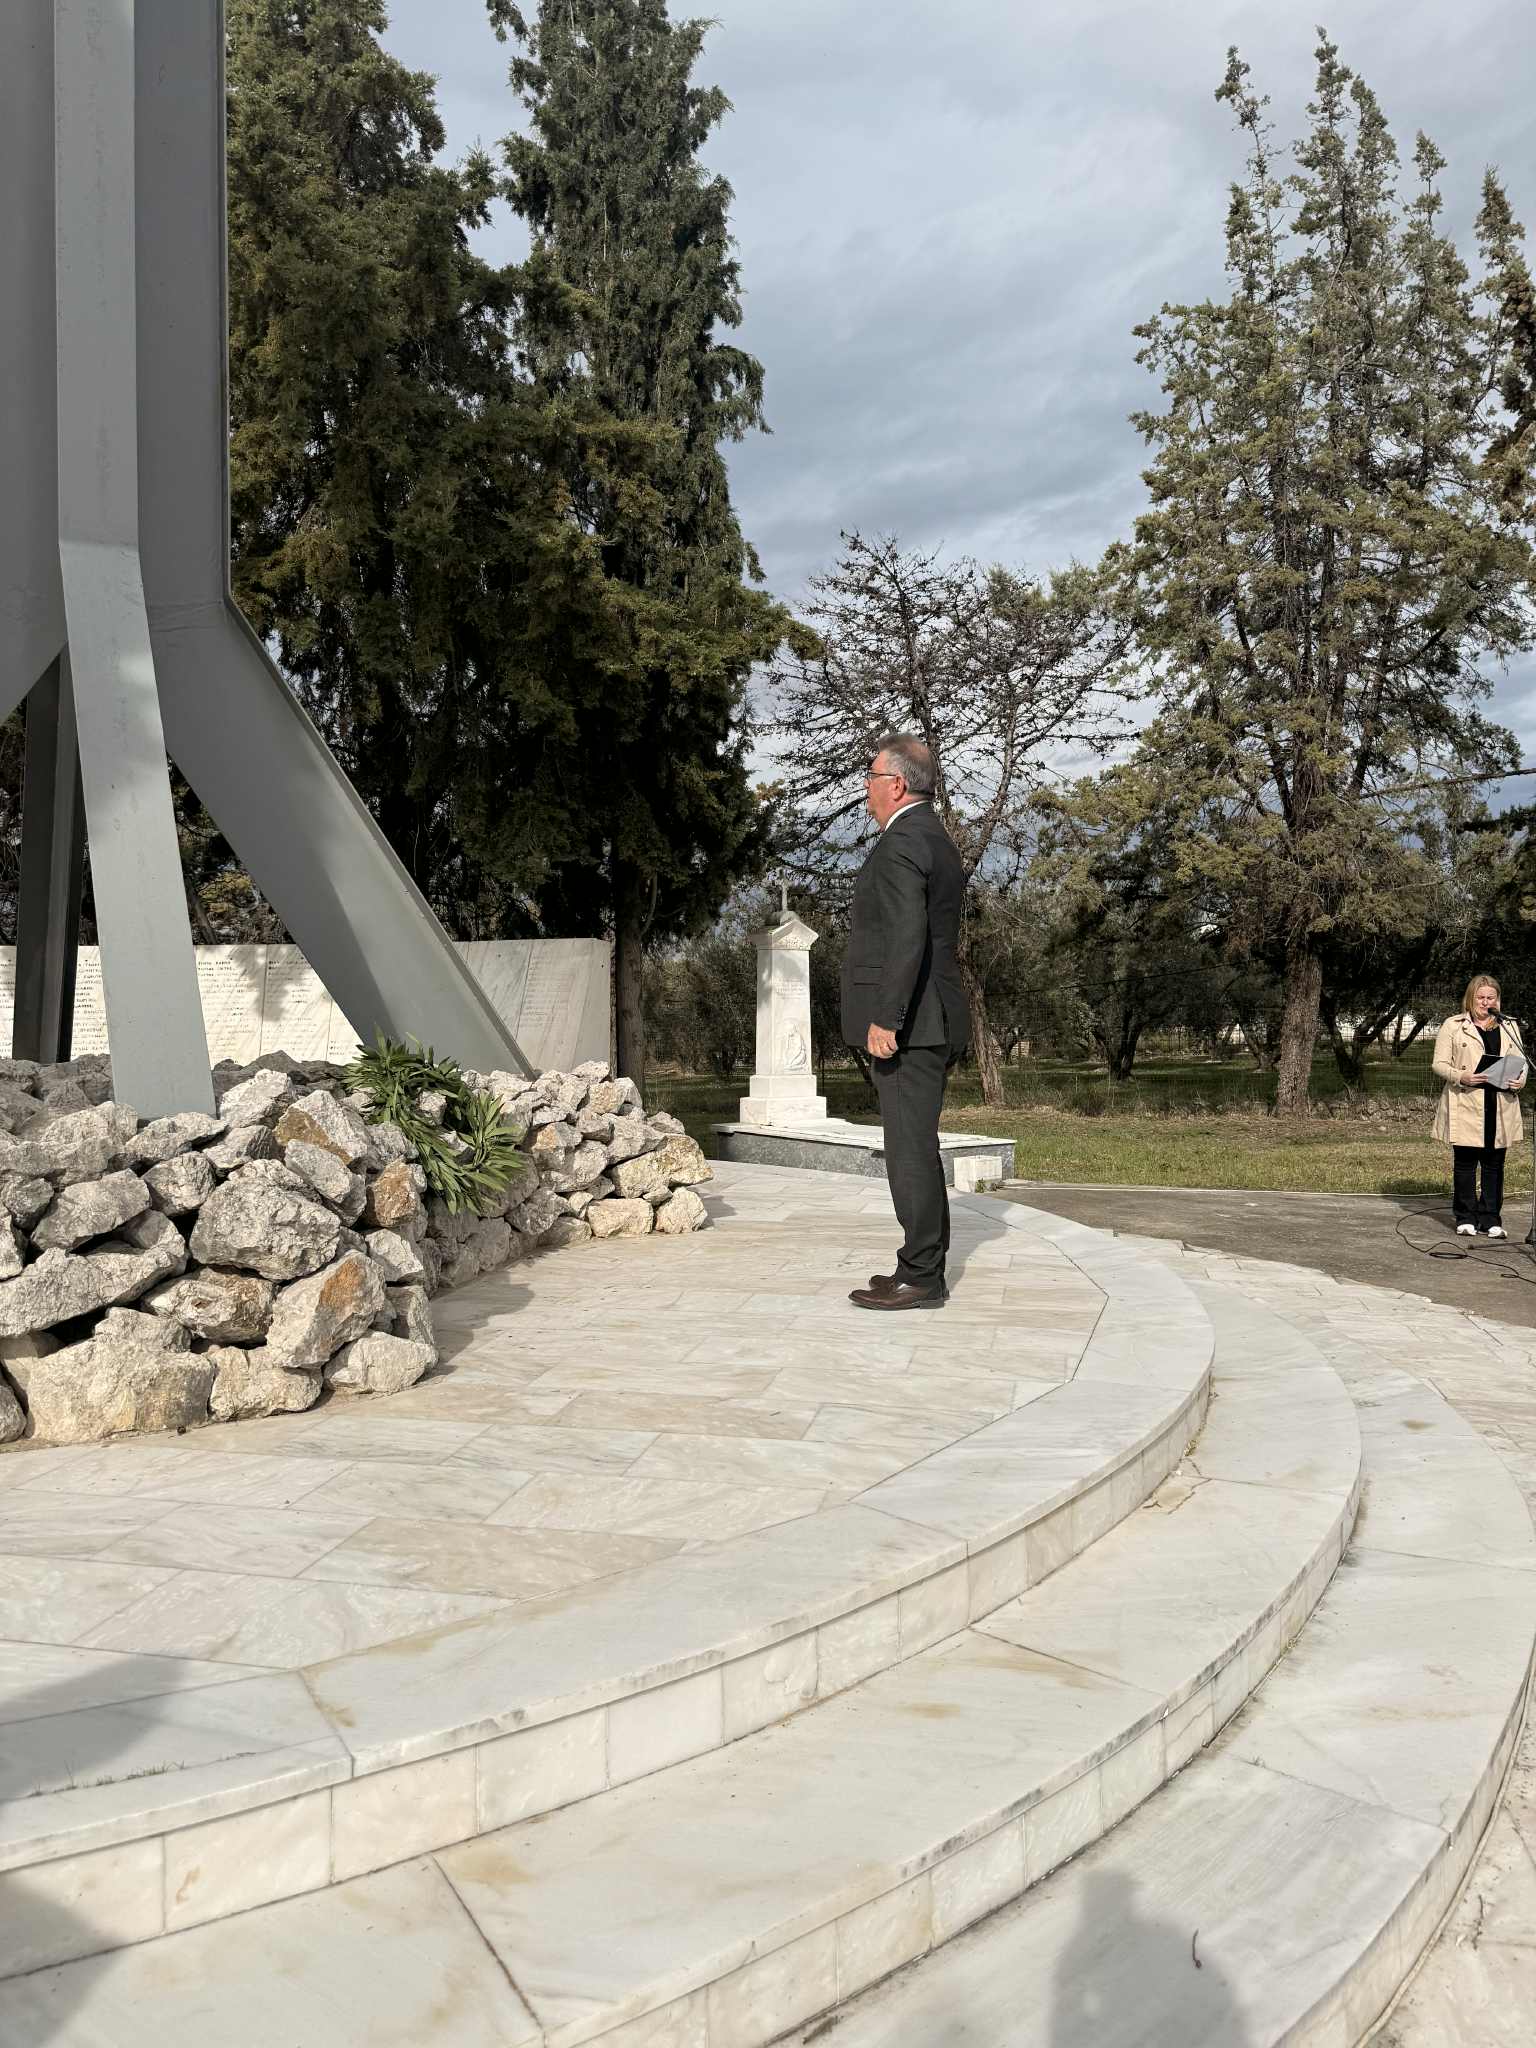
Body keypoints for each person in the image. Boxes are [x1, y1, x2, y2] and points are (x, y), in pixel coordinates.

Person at [841, 734, 969, 1310]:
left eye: (870, 779)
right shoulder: (935, 839)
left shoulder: (900, 844)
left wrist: (887, 1018)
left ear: (895, 784)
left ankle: (921, 1277)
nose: (866, 792)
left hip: (911, 1024)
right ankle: (917, 1265)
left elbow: (907, 937)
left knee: (909, 1148)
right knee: (916, 1143)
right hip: (934, 1015)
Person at [1431, 974, 1527, 1238]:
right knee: (1466, 1163)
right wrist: (1462, 1076)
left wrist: (1520, 1080)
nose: (1486, 1002)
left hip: (1500, 1102)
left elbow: (1520, 1061)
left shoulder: (1508, 1026)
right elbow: (1438, 1064)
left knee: (1494, 1163)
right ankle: (1465, 1217)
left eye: (1491, 998)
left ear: (1498, 999)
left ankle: (1491, 1218)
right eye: (1481, 997)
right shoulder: (1453, 1025)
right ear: (1471, 998)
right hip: (1467, 1100)